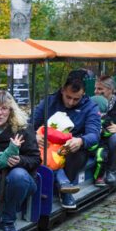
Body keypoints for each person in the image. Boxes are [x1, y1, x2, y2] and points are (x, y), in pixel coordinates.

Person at [32, 70, 101, 209]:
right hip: (47, 145)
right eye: (68, 97)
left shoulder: (90, 107)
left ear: (83, 94)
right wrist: (34, 135)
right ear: (63, 90)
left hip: (72, 148)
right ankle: (47, 187)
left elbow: (94, 134)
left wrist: (81, 141)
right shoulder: (49, 101)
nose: (71, 102)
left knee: (75, 153)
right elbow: (30, 123)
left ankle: (65, 192)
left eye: (76, 99)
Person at [0, 90, 40, 231]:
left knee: (17, 175)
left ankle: (8, 221)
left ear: (10, 111)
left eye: (4, 108)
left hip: (19, 179)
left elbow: (35, 159)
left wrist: (20, 161)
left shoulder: (23, 129)